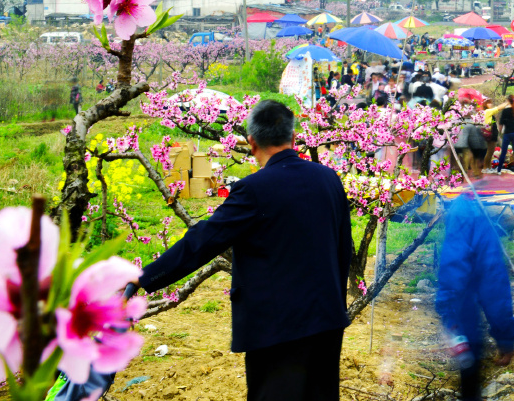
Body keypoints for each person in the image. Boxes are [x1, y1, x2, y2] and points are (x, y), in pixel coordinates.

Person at [131, 100, 352, 401]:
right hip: (328, 320)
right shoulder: (328, 179)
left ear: (251, 142)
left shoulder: (254, 189)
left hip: (278, 330)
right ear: (294, 138)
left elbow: (203, 241)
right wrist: (336, 307)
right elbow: (343, 249)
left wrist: (144, 277)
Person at [436, 190, 514, 401]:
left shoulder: (463, 209)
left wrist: (447, 313)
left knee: (469, 379)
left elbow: (455, 267)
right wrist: (505, 334)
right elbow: (493, 280)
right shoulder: (472, 210)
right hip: (466, 318)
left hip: (462, 316)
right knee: (471, 382)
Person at [497, 95, 514, 174]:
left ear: (508, 101)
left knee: (503, 152)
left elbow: (501, 123)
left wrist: (500, 132)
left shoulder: (505, 111)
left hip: (507, 134)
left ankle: (499, 170)